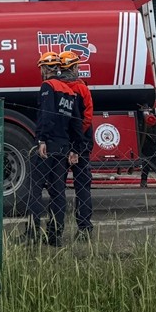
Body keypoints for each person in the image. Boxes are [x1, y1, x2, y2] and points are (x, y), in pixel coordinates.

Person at [23, 51, 86, 247]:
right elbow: (77, 122)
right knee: (58, 191)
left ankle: (32, 233)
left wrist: (41, 139)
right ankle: (55, 236)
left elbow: (46, 115)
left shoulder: (47, 86)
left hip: (48, 146)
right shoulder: (69, 90)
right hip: (64, 147)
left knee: (34, 189)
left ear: (44, 68)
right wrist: (75, 147)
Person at [59, 50, 95, 239]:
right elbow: (87, 117)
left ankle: (56, 229)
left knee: (58, 186)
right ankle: (84, 228)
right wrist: (78, 139)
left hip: (62, 143)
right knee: (82, 186)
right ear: (72, 67)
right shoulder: (82, 89)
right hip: (81, 144)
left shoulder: (56, 88)